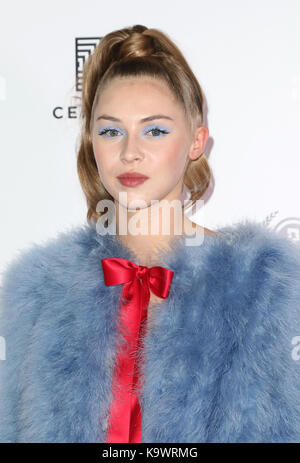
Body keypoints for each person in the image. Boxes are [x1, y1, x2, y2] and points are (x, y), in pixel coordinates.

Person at [1, 24, 300, 443]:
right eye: (110, 130)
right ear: (91, 142)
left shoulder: (260, 285)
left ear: (196, 141)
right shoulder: (40, 289)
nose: (130, 151)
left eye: (155, 130)